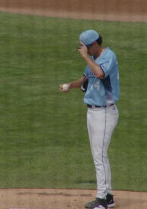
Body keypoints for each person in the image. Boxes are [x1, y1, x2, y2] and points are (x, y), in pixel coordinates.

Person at [60, 29, 120, 209]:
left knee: (99, 156)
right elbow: (86, 78)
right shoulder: (93, 60)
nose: (82, 50)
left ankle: (101, 200)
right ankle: (108, 196)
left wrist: (86, 57)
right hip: (93, 113)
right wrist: (71, 85)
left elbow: (100, 74)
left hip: (105, 113)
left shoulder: (109, 56)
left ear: (94, 45)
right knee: (100, 155)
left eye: (84, 47)